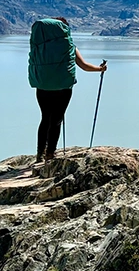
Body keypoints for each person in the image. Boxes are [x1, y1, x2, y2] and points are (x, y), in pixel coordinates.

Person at [28, 17, 106, 162]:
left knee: (45, 118)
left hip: (42, 86)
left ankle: (40, 153)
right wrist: (100, 69)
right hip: (63, 88)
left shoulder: (40, 46)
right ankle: (50, 154)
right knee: (57, 119)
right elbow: (84, 66)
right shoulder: (68, 46)